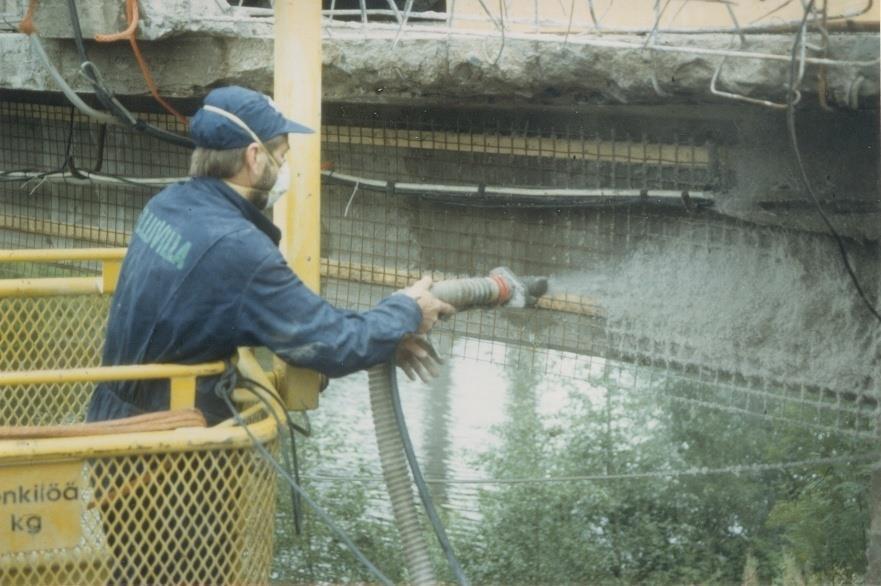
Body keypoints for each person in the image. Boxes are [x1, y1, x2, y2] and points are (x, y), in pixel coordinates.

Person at [86, 85, 455, 426]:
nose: (285, 170)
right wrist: (407, 310)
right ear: (254, 158)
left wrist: (386, 335)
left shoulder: (167, 204)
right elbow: (328, 340)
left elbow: (290, 316)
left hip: (112, 422)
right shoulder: (237, 247)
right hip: (170, 456)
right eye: (281, 156)